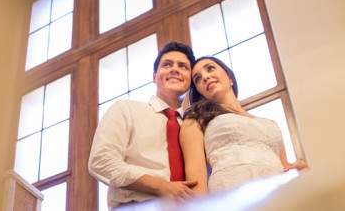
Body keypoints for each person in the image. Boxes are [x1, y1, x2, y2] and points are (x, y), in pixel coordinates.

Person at [88, 41, 198, 209]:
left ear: (190, 80)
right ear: (154, 76)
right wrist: (163, 187)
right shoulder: (125, 109)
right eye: (167, 64)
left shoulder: (194, 127)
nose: (174, 69)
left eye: (183, 66)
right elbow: (101, 161)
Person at [180, 56, 308, 195]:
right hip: (232, 195)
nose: (205, 77)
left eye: (210, 68)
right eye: (198, 79)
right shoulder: (195, 120)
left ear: (230, 77)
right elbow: (197, 178)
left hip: (278, 196)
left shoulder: (269, 124)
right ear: (200, 93)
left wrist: (298, 172)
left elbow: (284, 168)